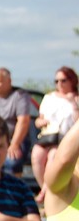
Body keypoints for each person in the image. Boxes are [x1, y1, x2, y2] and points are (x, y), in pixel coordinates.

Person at [33, 67, 79, 201]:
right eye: (56, 81)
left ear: (72, 81)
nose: (59, 84)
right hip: (48, 136)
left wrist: (73, 103)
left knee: (53, 157)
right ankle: (45, 189)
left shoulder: (76, 98)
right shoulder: (49, 98)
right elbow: (38, 120)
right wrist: (41, 122)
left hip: (65, 138)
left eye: (63, 80)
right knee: (36, 156)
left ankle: (47, 193)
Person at [0, 67, 32, 178]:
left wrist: (14, 144)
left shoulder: (20, 96)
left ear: (9, 81)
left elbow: (23, 121)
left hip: (14, 139)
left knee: (12, 162)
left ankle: (14, 189)